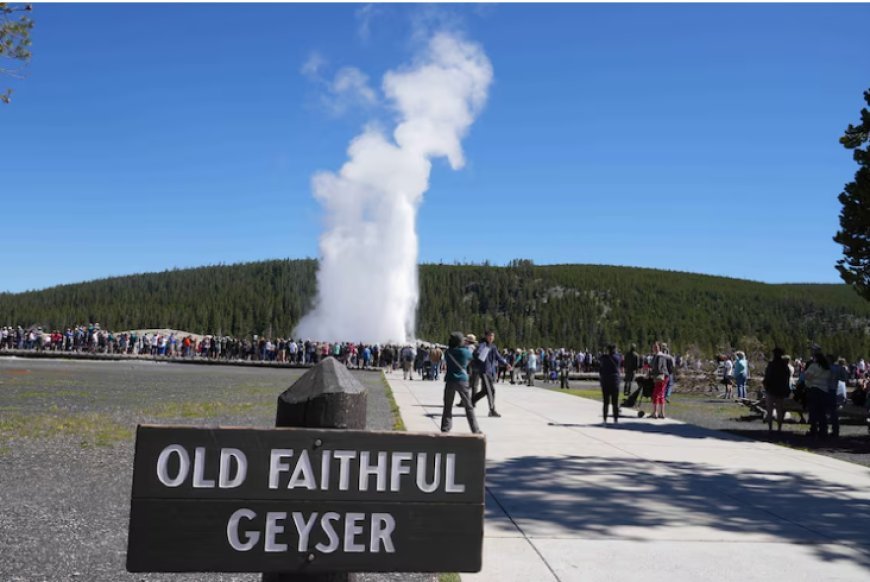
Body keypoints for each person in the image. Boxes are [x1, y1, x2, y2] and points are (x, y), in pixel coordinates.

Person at [440, 332, 481, 434]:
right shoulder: (465, 352)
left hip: (450, 380)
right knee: (469, 407)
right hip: (462, 380)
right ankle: (475, 429)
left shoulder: (448, 352)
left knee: (447, 406)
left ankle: (445, 427)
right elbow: (473, 358)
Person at [471, 329, 510, 417]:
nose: (491, 337)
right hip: (484, 371)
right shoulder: (483, 344)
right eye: (490, 335)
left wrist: (506, 364)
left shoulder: (493, 346)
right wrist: (479, 353)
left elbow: (498, 357)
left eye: (493, 336)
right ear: (486, 336)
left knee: (485, 391)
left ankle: (470, 401)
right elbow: (477, 353)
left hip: (490, 372)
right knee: (491, 390)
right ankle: (492, 410)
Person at [762, 347, 791, 432]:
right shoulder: (785, 366)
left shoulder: (771, 364)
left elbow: (767, 376)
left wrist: (766, 385)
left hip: (771, 389)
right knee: (779, 410)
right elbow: (787, 378)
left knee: (770, 410)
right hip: (781, 390)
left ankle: (770, 428)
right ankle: (779, 429)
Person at [804, 350, 832, 438]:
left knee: (813, 411)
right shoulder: (827, 368)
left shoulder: (814, 366)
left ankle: (813, 429)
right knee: (822, 412)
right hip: (824, 390)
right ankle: (823, 430)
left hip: (814, 389)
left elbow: (808, 376)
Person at [649, 342, 674, 419]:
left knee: (656, 394)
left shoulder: (659, 356)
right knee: (661, 394)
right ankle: (662, 413)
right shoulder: (661, 355)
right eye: (654, 347)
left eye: (656, 347)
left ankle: (655, 412)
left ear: (659, 348)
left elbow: (659, 368)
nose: (655, 348)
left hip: (660, 376)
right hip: (664, 376)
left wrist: (651, 373)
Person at [599, 344, 622, 424]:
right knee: (615, 402)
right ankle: (615, 420)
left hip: (605, 381)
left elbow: (600, 367)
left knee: (605, 402)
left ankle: (605, 419)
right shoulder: (617, 358)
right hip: (615, 381)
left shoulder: (604, 358)